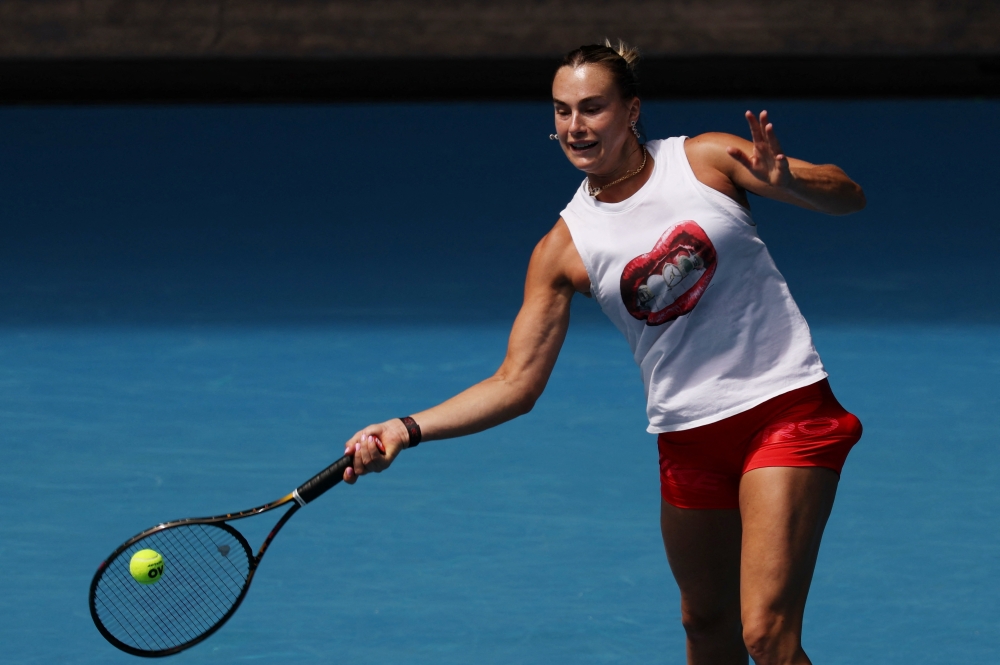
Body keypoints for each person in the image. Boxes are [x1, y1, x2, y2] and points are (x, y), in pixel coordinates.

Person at [341, 41, 866, 665]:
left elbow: (848, 194)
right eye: (563, 111)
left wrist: (794, 182)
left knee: (766, 636)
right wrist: (405, 428)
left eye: (592, 107)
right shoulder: (564, 247)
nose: (575, 126)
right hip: (688, 441)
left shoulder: (705, 161)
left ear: (631, 109)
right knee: (705, 622)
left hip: (783, 411)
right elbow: (515, 383)